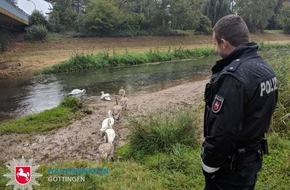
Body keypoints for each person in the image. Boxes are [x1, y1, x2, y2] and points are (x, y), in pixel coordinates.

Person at [201, 14, 278, 190]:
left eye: (215, 43)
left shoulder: (233, 77)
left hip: (230, 170)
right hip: (251, 162)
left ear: (224, 43)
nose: (215, 49)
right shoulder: (266, 69)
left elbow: (223, 131)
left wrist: (209, 165)